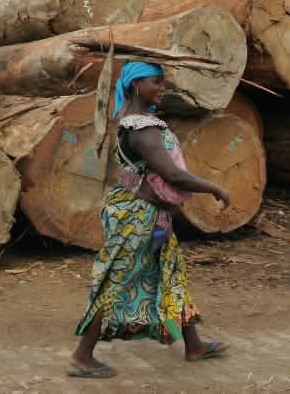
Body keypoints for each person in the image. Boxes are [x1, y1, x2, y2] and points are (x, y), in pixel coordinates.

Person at [68, 62, 232, 378]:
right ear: (135, 85)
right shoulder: (142, 130)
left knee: (171, 274)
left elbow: (128, 173)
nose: (162, 89)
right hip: (136, 218)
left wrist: (153, 196)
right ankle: (82, 356)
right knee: (115, 281)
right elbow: (171, 174)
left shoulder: (133, 122)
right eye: (156, 82)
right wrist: (214, 188)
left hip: (148, 213)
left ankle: (194, 345)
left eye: (163, 83)